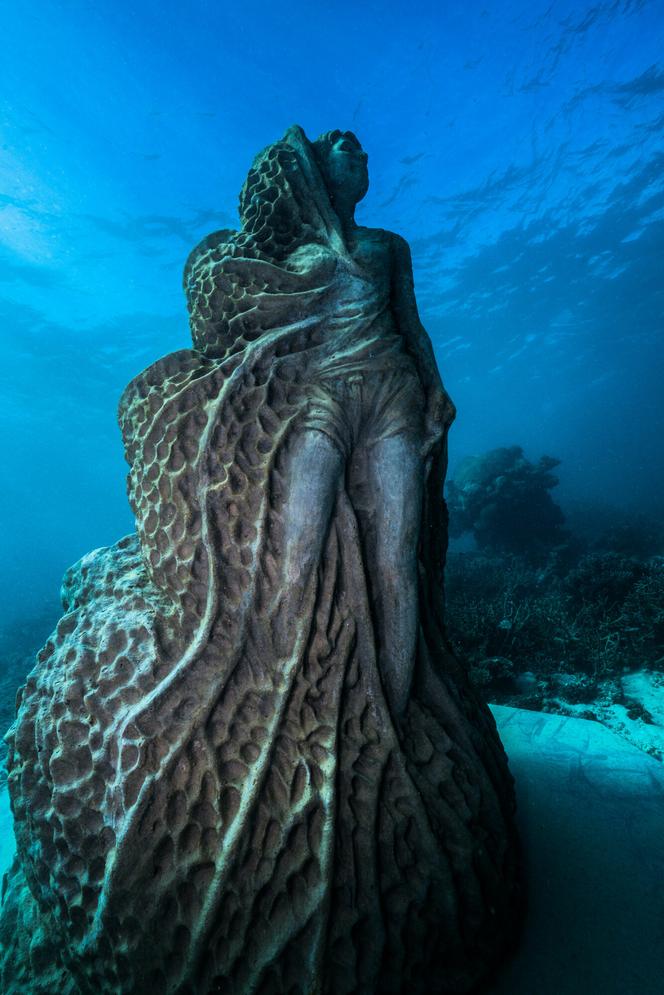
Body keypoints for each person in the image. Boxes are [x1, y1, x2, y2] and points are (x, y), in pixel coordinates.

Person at [1, 125, 519, 995]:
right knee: (291, 551)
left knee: (393, 559)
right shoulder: (301, 254)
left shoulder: (388, 247)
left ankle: (389, 705)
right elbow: (221, 310)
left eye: (360, 148)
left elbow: (415, 332)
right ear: (320, 172)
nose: (360, 153)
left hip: (388, 396)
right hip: (317, 400)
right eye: (343, 147)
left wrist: (435, 395)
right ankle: (275, 688)